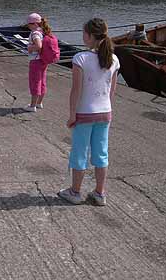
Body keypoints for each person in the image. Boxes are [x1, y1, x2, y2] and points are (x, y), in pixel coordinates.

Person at [58, 18, 120, 206]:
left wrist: (72, 114)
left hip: (85, 113)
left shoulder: (81, 59)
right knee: (101, 153)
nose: (83, 36)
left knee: (79, 152)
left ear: (92, 36)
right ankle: (100, 193)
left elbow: (76, 91)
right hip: (105, 112)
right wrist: (108, 109)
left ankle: (75, 192)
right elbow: (112, 90)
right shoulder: (114, 59)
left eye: (85, 33)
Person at [25, 13, 53, 112]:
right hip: (43, 60)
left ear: (35, 24)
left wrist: (29, 48)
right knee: (42, 81)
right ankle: (39, 103)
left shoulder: (35, 33)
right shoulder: (43, 32)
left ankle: (32, 106)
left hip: (36, 61)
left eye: (29, 24)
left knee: (35, 82)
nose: (28, 26)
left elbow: (39, 46)